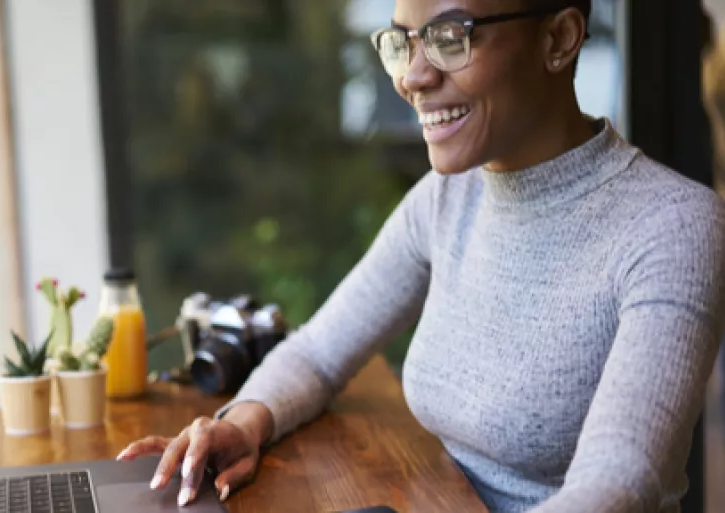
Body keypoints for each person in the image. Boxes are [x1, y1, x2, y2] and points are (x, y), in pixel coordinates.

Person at [117, 0, 725, 511]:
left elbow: (619, 481)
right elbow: (319, 349)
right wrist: (245, 422)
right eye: (402, 43)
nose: (412, 75)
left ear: (559, 39)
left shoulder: (672, 224)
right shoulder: (446, 198)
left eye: (449, 38)